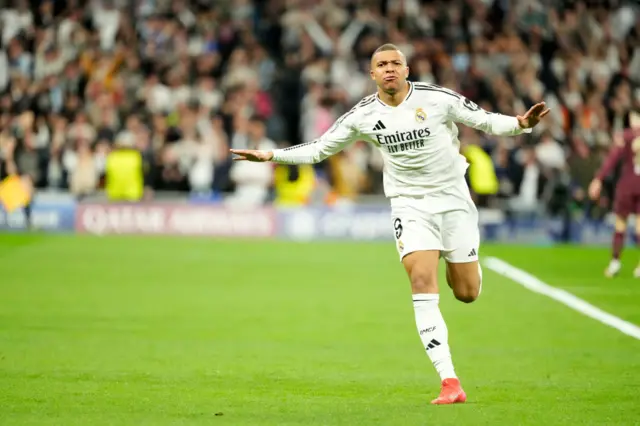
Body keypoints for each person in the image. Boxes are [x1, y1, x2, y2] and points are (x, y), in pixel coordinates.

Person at [230, 44, 550, 405]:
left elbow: (485, 120)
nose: (389, 69)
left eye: (395, 63)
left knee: (467, 292)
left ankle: (455, 262)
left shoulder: (437, 99)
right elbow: (320, 149)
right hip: (410, 206)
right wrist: (272, 155)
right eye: (381, 64)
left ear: (407, 69)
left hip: (453, 202)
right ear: (372, 75)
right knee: (421, 281)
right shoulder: (363, 115)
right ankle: (449, 381)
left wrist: (521, 124)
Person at [588, 109, 640, 278]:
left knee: (620, 225)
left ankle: (615, 262)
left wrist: (598, 179)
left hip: (627, 184)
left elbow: (613, 158)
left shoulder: (625, 136)